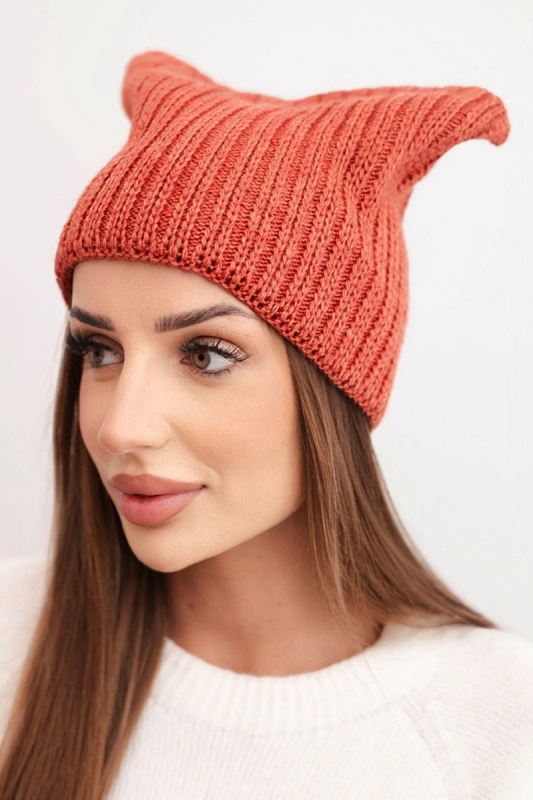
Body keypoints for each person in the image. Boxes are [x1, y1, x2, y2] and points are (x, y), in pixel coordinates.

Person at [0, 50, 531, 800]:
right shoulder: (12, 636)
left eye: (205, 355)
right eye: (99, 350)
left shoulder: (499, 727)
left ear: (333, 385)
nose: (121, 428)